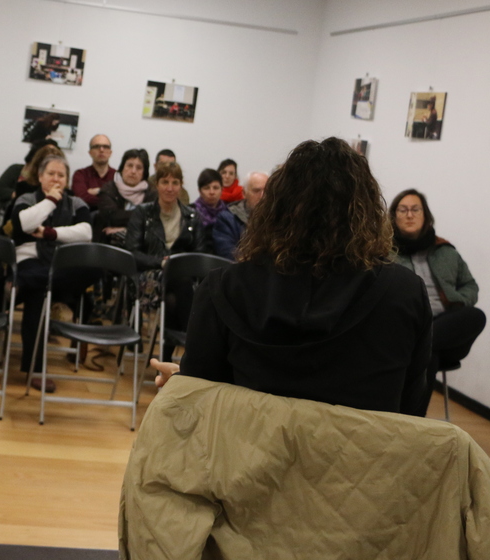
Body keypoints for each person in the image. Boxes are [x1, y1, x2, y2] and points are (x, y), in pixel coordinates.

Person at [152, 138, 432, 418]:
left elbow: (200, 401)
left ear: (275, 207)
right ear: (367, 210)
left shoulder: (224, 288)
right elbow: (410, 412)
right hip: (363, 447)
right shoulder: (405, 292)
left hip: (248, 445)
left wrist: (183, 382)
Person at [390, 188, 486, 413]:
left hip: (444, 326)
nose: (410, 215)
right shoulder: (385, 253)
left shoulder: (446, 251)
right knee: (429, 356)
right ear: (393, 216)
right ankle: (413, 423)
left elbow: (470, 286)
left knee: (476, 316)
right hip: (406, 328)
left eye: (416, 209)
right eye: (403, 210)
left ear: (426, 216)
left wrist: (457, 300)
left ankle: (424, 343)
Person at [10, 155, 93, 392]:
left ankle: (30, 288)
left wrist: (50, 233)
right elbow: (24, 224)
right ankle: (35, 369)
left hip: (61, 264)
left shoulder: (76, 203)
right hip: (31, 259)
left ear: (67, 179)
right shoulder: (27, 199)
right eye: (51, 174)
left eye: (61, 175)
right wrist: (50, 200)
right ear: (40, 176)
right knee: (38, 293)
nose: (56, 179)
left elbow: (86, 232)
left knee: (95, 269)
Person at [126, 161, 210, 360]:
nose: (170, 188)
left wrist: (178, 265)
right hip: (149, 276)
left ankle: (166, 359)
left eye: (175, 183)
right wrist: (162, 263)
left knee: (173, 298)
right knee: (181, 286)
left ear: (181, 185)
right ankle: (194, 344)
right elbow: (132, 253)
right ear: (157, 185)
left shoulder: (192, 216)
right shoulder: (142, 213)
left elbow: (199, 254)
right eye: (165, 182)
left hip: (181, 279)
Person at [96, 149, 156, 245]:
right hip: (108, 242)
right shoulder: (109, 189)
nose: (133, 171)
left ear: (144, 173)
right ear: (122, 168)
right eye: (129, 165)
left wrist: (125, 230)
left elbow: (152, 222)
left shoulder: (151, 193)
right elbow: (112, 217)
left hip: (141, 244)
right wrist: (140, 217)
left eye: (139, 168)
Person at [214, 171, 269, 261]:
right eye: (256, 191)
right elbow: (228, 253)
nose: (262, 196)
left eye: (266, 191)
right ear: (244, 193)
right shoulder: (227, 218)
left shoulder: (278, 217)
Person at [71, 134, 115, 209]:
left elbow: (123, 199)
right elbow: (80, 198)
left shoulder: (118, 175)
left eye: (105, 147)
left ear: (110, 152)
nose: (101, 150)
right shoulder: (80, 174)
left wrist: (99, 191)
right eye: (97, 146)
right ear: (90, 152)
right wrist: (109, 200)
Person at [192, 168, 233, 242]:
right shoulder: (191, 213)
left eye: (216, 188)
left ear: (222, 190)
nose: (212, 192)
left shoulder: (230, 212)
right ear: (200, 191)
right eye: (206, 188)